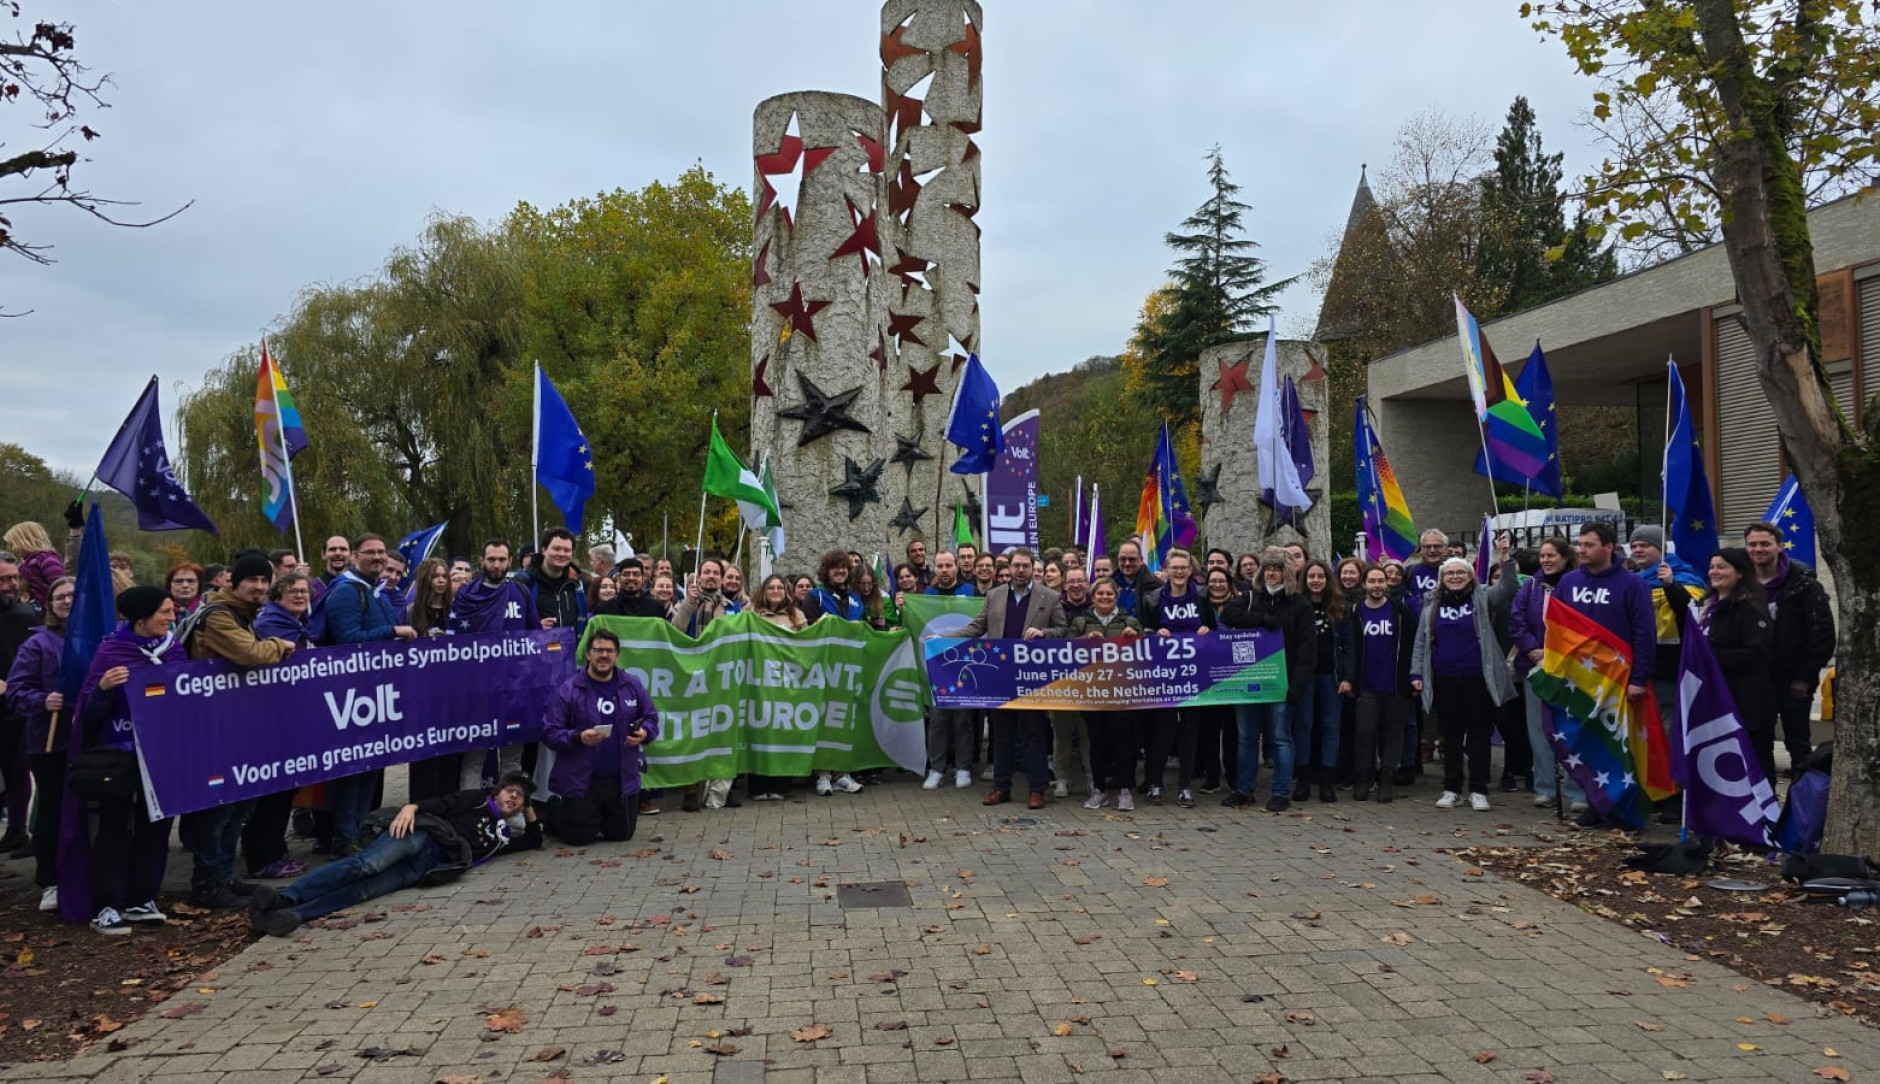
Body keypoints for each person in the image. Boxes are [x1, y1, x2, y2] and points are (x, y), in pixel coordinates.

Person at [251, 772, 542, 937]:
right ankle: (286, 896)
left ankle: (291, 916)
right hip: (421, 836)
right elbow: (442, 803)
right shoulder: (477, 800)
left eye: (519, 798)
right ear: (498, 792)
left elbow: (533, 839)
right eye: (510, 792)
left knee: (362, 891)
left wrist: (528, 807)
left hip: (427, 866)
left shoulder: (502, 838)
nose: (513, 798)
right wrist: (411, 807)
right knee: (364, 866)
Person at [178, 553, 298, 908]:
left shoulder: (242, 614)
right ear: (233, 582)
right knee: (219, 809)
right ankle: (209, 883)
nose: (259, 587)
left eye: (265, 581)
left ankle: (226, 877)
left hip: (235, 723)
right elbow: (250, 654)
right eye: (252, 581)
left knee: (240, 808)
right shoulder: (218, 616)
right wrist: (282, 645)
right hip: (212, 725)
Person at [70, 586, 180, 934]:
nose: (171, 617)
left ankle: (141, 897)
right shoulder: (112, 652)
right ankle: (106, 904)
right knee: (114, 828)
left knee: (156, 826)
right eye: (164, 611)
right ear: (142, 617)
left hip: (161, 753)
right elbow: (88, 714)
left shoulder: (174, 649)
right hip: (119, 754)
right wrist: (102, 688)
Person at [1553, 521, 1657, 826]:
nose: (1581, 550)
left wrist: (1638, 678)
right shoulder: (1569, 582)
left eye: (1588, 545)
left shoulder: (1632, 584)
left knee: (1619, 744)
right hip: (1580, 681)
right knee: (1586, 743)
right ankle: (1595, 804)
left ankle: (1623, 807)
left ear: (1608, 547)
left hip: (1619, 681)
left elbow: (1644, 634)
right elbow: (1557, 631)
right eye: (1580, 544)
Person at [322, 534, 417, 853]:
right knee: (353, 769)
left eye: (381, 552)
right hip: (353, 695)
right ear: (353, 556)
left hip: (377, 693)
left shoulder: (376, 592)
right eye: (371, 553)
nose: (378, 558)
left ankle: (359, 827)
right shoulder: (346, 593)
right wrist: (392, 631)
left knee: (371, 766)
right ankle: (343, 836)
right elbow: (348, 639)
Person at [1409, 536, 1518, 813]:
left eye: (1460, 572)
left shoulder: (1481, 598)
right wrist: (1416, 672)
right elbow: (1421, 641)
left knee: (1479, 736)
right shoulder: (1431, 603)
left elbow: (1506, 588)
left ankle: (1479, 789)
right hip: (1445, 679)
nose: (1455, 577)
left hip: (1477, 678)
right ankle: (1452, 788)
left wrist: (1505, 555)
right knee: (1452, 736)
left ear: (1470, 577)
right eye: (1450, 573)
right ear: (1442, 578)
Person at [959, 548, 1064, 810]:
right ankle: (1000, 787)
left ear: (1032, 568)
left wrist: (1043, 632)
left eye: (1025, 566)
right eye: (1016, 566)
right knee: (1001, 735)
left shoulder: (1050, 597)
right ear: (1007, 569)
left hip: (1031, 677)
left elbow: (1063, 629)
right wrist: (946, 637)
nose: (1019, 570)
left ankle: (1037, 789)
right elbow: (977, 626)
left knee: (1034, 734)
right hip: (1001, 676)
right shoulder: (994, 595)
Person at [1665, 548, 1779, 783]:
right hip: (1713, 699)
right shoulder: (1706, 605)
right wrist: (1670, 586)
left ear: (1739, 573)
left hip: (1746, 700)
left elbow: (1756, 653)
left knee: (1755, 759)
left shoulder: (1749, 607)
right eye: (1712, 567)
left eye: (1722, 567)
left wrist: (1709, 657)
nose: (1714, 572)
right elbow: (1687, 624)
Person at [1217, 547, 1315, 812]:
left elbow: (1307, 651)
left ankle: (1280, 792)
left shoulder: (1300, 605)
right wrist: (1262, 619)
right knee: (1247, 738)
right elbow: (1227, 615)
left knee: (1282, 738)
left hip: (1280, 685)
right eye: (1268, 568)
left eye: (1277, 569)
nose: (1272, 573)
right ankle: (1244, 789)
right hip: (1250, 682)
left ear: (1287, 573)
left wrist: (1295, 687)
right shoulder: (1251, 597)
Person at [542, 629, 657, 843]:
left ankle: (599, 816)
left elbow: (651, 717)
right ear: (588, 654)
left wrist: (645, 732)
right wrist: (578, 737)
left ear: (617, 655)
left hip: (621, 781)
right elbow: (550, 733)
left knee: (621, 835)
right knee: (578, 839)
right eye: (598, 650)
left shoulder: (632, 685)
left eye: (609, 651)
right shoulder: (569, 689)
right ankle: (555, 810)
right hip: (582, 781)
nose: (604, 655)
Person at [1742, 520, 1835, 775]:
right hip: (1754, 681)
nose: (1758, 549)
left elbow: (1822, 636)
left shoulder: (1804, 585)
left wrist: (1803, 677)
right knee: (1759, 744)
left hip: (1793, 682)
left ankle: (1802, 803)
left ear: (1779, 546)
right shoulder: (1740, 583)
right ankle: (1767, 802)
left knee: (1798, 744)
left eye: (1765, 544)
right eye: (1752, 544)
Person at [1627, 524, 1706, 817]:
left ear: (1661, 548)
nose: (1638, 550)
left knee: (1670, 733)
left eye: (1644, 545)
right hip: (1641, 667)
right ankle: (1653, 790)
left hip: (1673, 667)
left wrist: (1671, 585)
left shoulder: (1684, 576)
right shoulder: (1633, 581)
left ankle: (1675, 795)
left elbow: (1692, 613)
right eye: (1634, 546)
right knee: (1648, 734)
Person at [6, 576, 71, 904]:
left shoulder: (103, 639)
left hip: (93, 740)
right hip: (50, 742)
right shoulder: (37, 644)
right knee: (52, 810)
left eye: (74, 595)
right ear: (50, 603)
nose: (67, 601)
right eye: (60, 596)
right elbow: (16, 692)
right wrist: (43, 701)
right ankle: (50, 880)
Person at [1509, 537, 1586, 812]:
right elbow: (1517, 621)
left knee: (1570, 731)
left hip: (1571, 669)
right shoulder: (1530, 586)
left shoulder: (1579, 584)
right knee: (1539, 730)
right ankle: (1545, 788)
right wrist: (1533, 650)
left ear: (1566, 557)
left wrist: (1561, 653)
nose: (1546, 560)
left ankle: (1576, 791)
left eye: (1551, 555)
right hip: (1537, 666)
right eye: (1542, 556)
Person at [1057, 578, 1143, 810]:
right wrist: (1084, 640)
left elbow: (1147, 648)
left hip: (1121, 692)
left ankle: (1125, 790)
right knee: (1097, 741)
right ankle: (1099, 790)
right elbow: (1066, 646)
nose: (1105, 597)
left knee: (1123, 741)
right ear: (1092, 597)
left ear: (1116, 596)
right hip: (1092, 692)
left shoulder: (1130, 620)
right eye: (1100, 594)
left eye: (1109, 594)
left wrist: (1134, 635)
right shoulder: (1081, 621)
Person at [1339, 565, 1414, 802]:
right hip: (1366, 685)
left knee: (1393, 735)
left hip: (1394, 685)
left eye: (1381, 581)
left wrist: (1413, 677)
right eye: (1372, 581)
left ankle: (1386, 781)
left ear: (1386, 584)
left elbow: (1411, 647)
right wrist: (1348, 678)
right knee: (1364, 733)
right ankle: (1364, 778)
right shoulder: (1355, 612)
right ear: (1364, 585)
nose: (1377, 585)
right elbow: (1347, 647)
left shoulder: (1400, 612)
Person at [1141, 548, 1206, 807]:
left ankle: (1185, 787)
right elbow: (1143, 630)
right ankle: (1155, 783)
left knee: (1190, 731)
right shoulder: (1154, 598)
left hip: (1194, 674)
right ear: (1166, 570)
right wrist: (1156, 633)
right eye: (1174, 568)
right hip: (1164, 675)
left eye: (1184, 567)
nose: (1179, 572)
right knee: (1164, 731)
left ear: (1190, 570)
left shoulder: (1202, 596)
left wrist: (1206, 630)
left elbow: (1213, 628)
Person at [1295, 560, 1349, 803]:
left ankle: (1327, 781)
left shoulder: (1339, 607)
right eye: (1311, 576)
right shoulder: (1296, 606)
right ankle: (1304, 780)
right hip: (1304, 675)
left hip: (1332, 674)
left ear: (1328, 580)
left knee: (1331, 726)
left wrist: (1347, 677)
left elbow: (1348, 646)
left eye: (1321, 576)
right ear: (1304, 580)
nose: (1316, 580)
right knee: (1303, 725)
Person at [0, 552, 43, 855]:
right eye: (3, 579)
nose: (10, 584)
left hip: (15, 708)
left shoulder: (26, 616)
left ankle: (17, 831)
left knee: (17, 770)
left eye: (14, 578)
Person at [522, 528, 587, 632]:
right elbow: (512, 624)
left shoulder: (577, 584)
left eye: (567, 550)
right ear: (544, 550)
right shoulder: (524, 583)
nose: (561, 554)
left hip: (571, 647)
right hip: (536, 646)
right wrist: (535, 626)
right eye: (556, 549)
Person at [673, 557, 737, 638]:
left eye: (716, 573)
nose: (711, 576)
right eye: (707, 572)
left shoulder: (732, 607)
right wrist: (689, 603)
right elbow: (675, 631)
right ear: (699, 578)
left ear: (721, 579)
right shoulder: (683, 604)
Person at [4, 522, 63, 609]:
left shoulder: (47, 559)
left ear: (27, 541)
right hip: (30, 606)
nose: (13, 549)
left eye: (14, 544)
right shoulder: (21, 565)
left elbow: (59, 584)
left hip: (47, 608)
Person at [599, 558, 669, 619]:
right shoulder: (603, 610)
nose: (631, 578)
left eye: (636, 574)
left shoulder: (656, 609)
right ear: (619, 578)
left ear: (643, 578)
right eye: (626, 574)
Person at [808, 550, 863, 623]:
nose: (840, 571)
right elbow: (806, 627)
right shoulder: (816, 596)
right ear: (826, 571)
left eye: (843, 567)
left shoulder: (856, 598)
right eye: (835, 567)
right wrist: (818, 622)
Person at [408, 558, 454, 638]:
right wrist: (426, 638)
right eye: (435, 576)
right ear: (425, 579)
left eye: (444, 576)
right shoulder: (411, 612)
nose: (441, 580)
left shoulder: (454, 609)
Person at [1110, 541, 1158, 616]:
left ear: (1141, 560)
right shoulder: (1110, 584)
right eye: (1123, 559)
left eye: (1132, 559)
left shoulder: (1155, 585)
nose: (1127, 563)